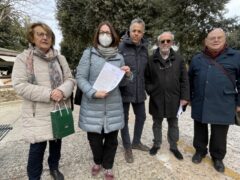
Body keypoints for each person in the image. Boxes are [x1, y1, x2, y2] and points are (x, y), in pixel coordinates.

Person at [11, 22, 75, 180]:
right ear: (32, 38)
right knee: (36, 149)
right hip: (37, 113)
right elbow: (20, 85)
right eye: (40, 34)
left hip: (58, 109)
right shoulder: (23, 59)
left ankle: (54, 168)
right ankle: (34, 176)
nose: (45, 37)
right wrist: (49, 93)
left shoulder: (60, 58)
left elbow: (70, 79)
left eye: (48, 34)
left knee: (56, 145)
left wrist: (62, 90)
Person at [76, 21, 132, 180]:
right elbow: (80, 77)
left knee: (112, 141)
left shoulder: (119, 57)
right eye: (102, 32)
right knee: (94, 140)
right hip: (93, 105)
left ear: (113, 35)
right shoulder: (89, 54)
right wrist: (93, 92)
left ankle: (108, 166)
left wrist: (127, 74)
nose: (105, 36)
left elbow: (122, 83)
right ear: (97, 35)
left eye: (108, 33)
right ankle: (97, 161)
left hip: (113, 106)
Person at [189, 28, 240, 173]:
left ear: (225, 39)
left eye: (219, 37)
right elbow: (189, 78)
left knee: (219, 133)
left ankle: (217, 157)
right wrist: (189, 97)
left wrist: (239, 103)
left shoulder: (236, 56)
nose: (216, 40)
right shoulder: (197, 58)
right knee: (199, 129)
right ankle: (200, 151)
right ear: (206, 41)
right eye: (212, 38)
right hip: (201, 100)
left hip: (224, 102)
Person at [145, 32, 189, 160]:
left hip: (174, 99)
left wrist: (184, 97)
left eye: (168, 41)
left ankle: (174, 146)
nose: (165, 43)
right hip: (156, 98)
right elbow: (146, 78)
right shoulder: (151, 60)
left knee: (173, 124)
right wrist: (151, 90)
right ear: (158, 43)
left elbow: (184, 80)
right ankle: (156, 144)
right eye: (162, 41)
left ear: (172, 43)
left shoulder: (179, 59)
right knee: (156, 123)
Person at [119, 18, 149, 163]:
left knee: (142, 116)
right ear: (129, 31)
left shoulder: (144, 49)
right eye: (134, 31)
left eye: (139, 31)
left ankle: (136, 142)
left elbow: (146, 71)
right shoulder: (121, 47)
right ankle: (127, 147)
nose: (136, 34)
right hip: (124, 89)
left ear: (143, 33)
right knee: (123, 119)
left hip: (139, 90)